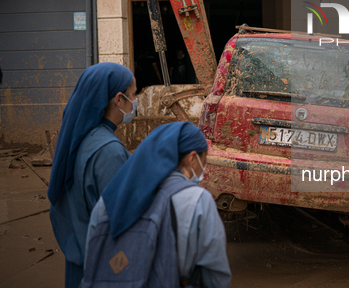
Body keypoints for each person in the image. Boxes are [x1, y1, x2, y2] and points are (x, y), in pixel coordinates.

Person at [82, 122, 231, 287]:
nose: (203, 167)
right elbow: (216, 276)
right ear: (192, 158)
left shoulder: (112, 195)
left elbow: (92, 255)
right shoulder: (199, 200)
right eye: (204, 160)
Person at [47, 62, 138, 288]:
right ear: (118, 100)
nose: (135, 102)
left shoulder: (81, 140)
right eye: (133, 95)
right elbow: (120, 223)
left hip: (80, 259)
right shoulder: (109, 152)